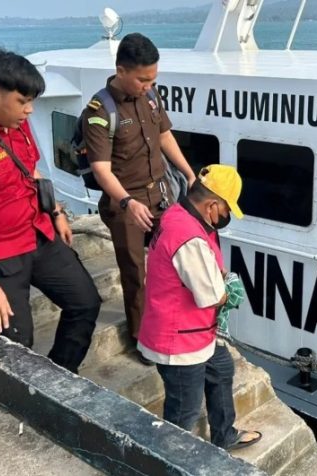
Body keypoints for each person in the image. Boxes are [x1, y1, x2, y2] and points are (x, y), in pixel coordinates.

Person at [0, 47, 101, 373]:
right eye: (23, 101)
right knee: (15, 346)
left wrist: (56, 212)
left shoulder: (15, 124)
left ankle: (60, 376)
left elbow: (31, 170)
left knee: (85, 302)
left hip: (38, 232)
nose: (30, 110)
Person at [82, 33, 196, 364]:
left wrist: (188, 173)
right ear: (121, 70)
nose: (148, 85)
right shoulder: (99, 111)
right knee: (135, 272)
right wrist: (127, 203)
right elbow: (102, 170)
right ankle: (141, 338)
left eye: (153, 79)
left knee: (174, 261)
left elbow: (164, 136)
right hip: (125, 204)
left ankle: (172, 323)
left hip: (159, 196)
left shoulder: (150, 97)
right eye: (143, 79)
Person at [137, 164, 262, 450]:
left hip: (196, 332)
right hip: (179, 342)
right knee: (184, 412)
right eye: (227, 210)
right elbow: (212, 296)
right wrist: (229, 291)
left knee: (221, 369)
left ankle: (224, 435)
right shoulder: (190, 237)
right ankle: (168, 461)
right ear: (212, 205)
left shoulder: (178, 213)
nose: (227, 216)